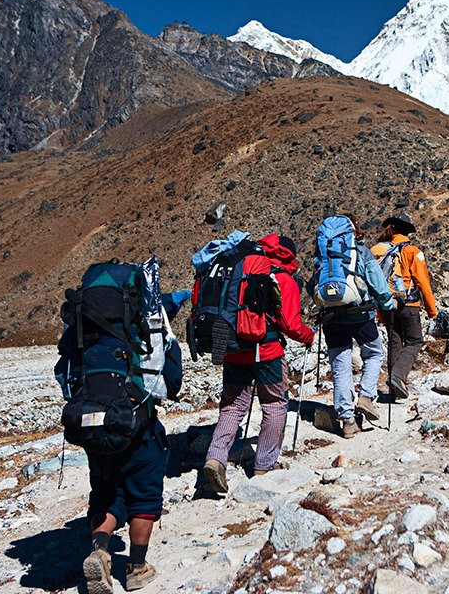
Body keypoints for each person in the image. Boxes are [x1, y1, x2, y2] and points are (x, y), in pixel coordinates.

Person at [54, 282, 190, 594]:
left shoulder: (79, 324)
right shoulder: (148, 321)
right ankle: (137, 568)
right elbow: (171, 381)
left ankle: (99, 549)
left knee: (105, 492)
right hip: (135, 423)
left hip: (91, 422)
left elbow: (64, 376)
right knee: (143, 494)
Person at [202, 234, 314, 493]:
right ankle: (264, 465)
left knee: (232, 406)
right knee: (274, 403)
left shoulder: (238, 271)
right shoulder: (281, 278)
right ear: (288, 256)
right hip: (266, 351)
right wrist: (308, 336)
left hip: (232, 349)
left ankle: (215, 458)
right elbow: (290, 324)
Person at [307, 215, 396, 439]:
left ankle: (347, 421)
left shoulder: (323, 255)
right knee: (375, 353)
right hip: (360, 315)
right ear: (353, 231)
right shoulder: (360, 253)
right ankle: (366, 396)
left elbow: (312, 285)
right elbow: (377, 282)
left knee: (340, 367)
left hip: (331, 319)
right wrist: (387, 304)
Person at [371, 212, 437, 399]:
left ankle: (394, 389)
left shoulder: (378, 251)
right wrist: (432, 311)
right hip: (408, 303)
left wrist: (380, 313)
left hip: (386, 304)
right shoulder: (412, 252)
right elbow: (423, 282)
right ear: (408, 232)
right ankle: (398, 377)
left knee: (395, 343)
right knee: (415, 341)